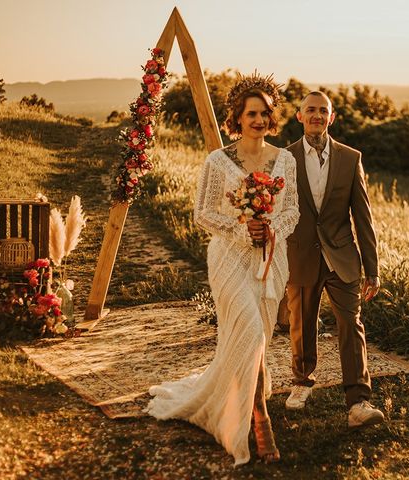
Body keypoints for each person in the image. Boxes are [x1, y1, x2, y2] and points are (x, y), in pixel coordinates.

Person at [145, 73, 299, 466]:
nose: (259, 120)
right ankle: (259, 413)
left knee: (259, 335)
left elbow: (292, 211)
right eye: (252, 113)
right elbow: (203, 213)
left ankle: (248, 395)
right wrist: (240, 228)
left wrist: (271, 229)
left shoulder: (285, 160)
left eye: (265, 113)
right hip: (230, 258)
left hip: (270, 259)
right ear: (237, 117)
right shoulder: (218, 161)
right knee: (247, 328)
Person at [284, 91, 383, 427]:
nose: (316, 115)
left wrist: (372, 269)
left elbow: (363, 216)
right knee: (301, 323)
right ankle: (301, 382)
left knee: (351, 326)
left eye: (322, 110)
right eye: (310, 110)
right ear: (299, 116)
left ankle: (359, 402)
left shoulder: (350, 158)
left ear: (332, 116)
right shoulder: (284, 159)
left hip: (342, 256)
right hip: (301, 255)